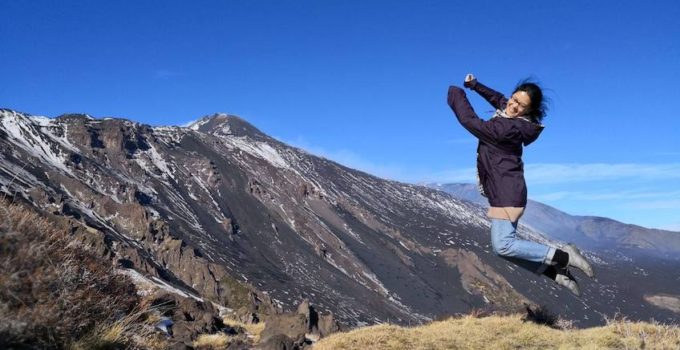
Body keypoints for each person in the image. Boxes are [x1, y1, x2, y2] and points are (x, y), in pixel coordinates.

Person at [447, 74, 594, 296]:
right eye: (514, 99)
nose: (513, 105)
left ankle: (564, 255)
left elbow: (470, 121)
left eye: (520, 105)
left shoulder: (509, 129)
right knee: (503, 249)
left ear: (528, 112)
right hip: (501, 191)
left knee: (503, 245)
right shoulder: (509, 111)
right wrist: (475, 86)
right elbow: (498, 99)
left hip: (508, 192)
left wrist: (456, 93)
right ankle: (555, 273)